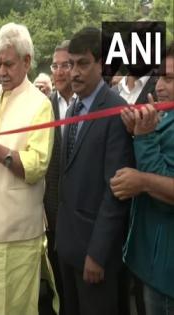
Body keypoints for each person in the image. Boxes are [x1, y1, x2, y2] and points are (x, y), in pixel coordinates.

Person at [0, 22, 56, 315]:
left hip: (16, 231)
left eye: (8, 64)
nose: (1, 71)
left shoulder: (40, 104)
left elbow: (37, 164)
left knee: (13, 306)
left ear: (27, 61)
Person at [55, 27, 134, 315]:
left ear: (102, 64)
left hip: (94, 256)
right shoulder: (72, 108)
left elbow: (116, 193)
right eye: (70, 64)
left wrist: (97, 255)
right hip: (67, 248)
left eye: (83, 64)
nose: (73, 72)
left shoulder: (116, 111)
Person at [110, 41, 174, 315]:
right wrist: (136, 132)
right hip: (149, 259)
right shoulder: (164, 114)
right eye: (159, 76)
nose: (158, 87)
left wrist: (143, 180)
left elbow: (163, 195)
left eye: (169, 79)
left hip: (166, 273)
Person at [44, 39, 75, 315]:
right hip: (51, 217)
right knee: (58, 295)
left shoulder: (87, 106)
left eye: (66, 65)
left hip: (81, 221)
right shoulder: (45, 106)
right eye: (57, 65)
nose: (61, 71)